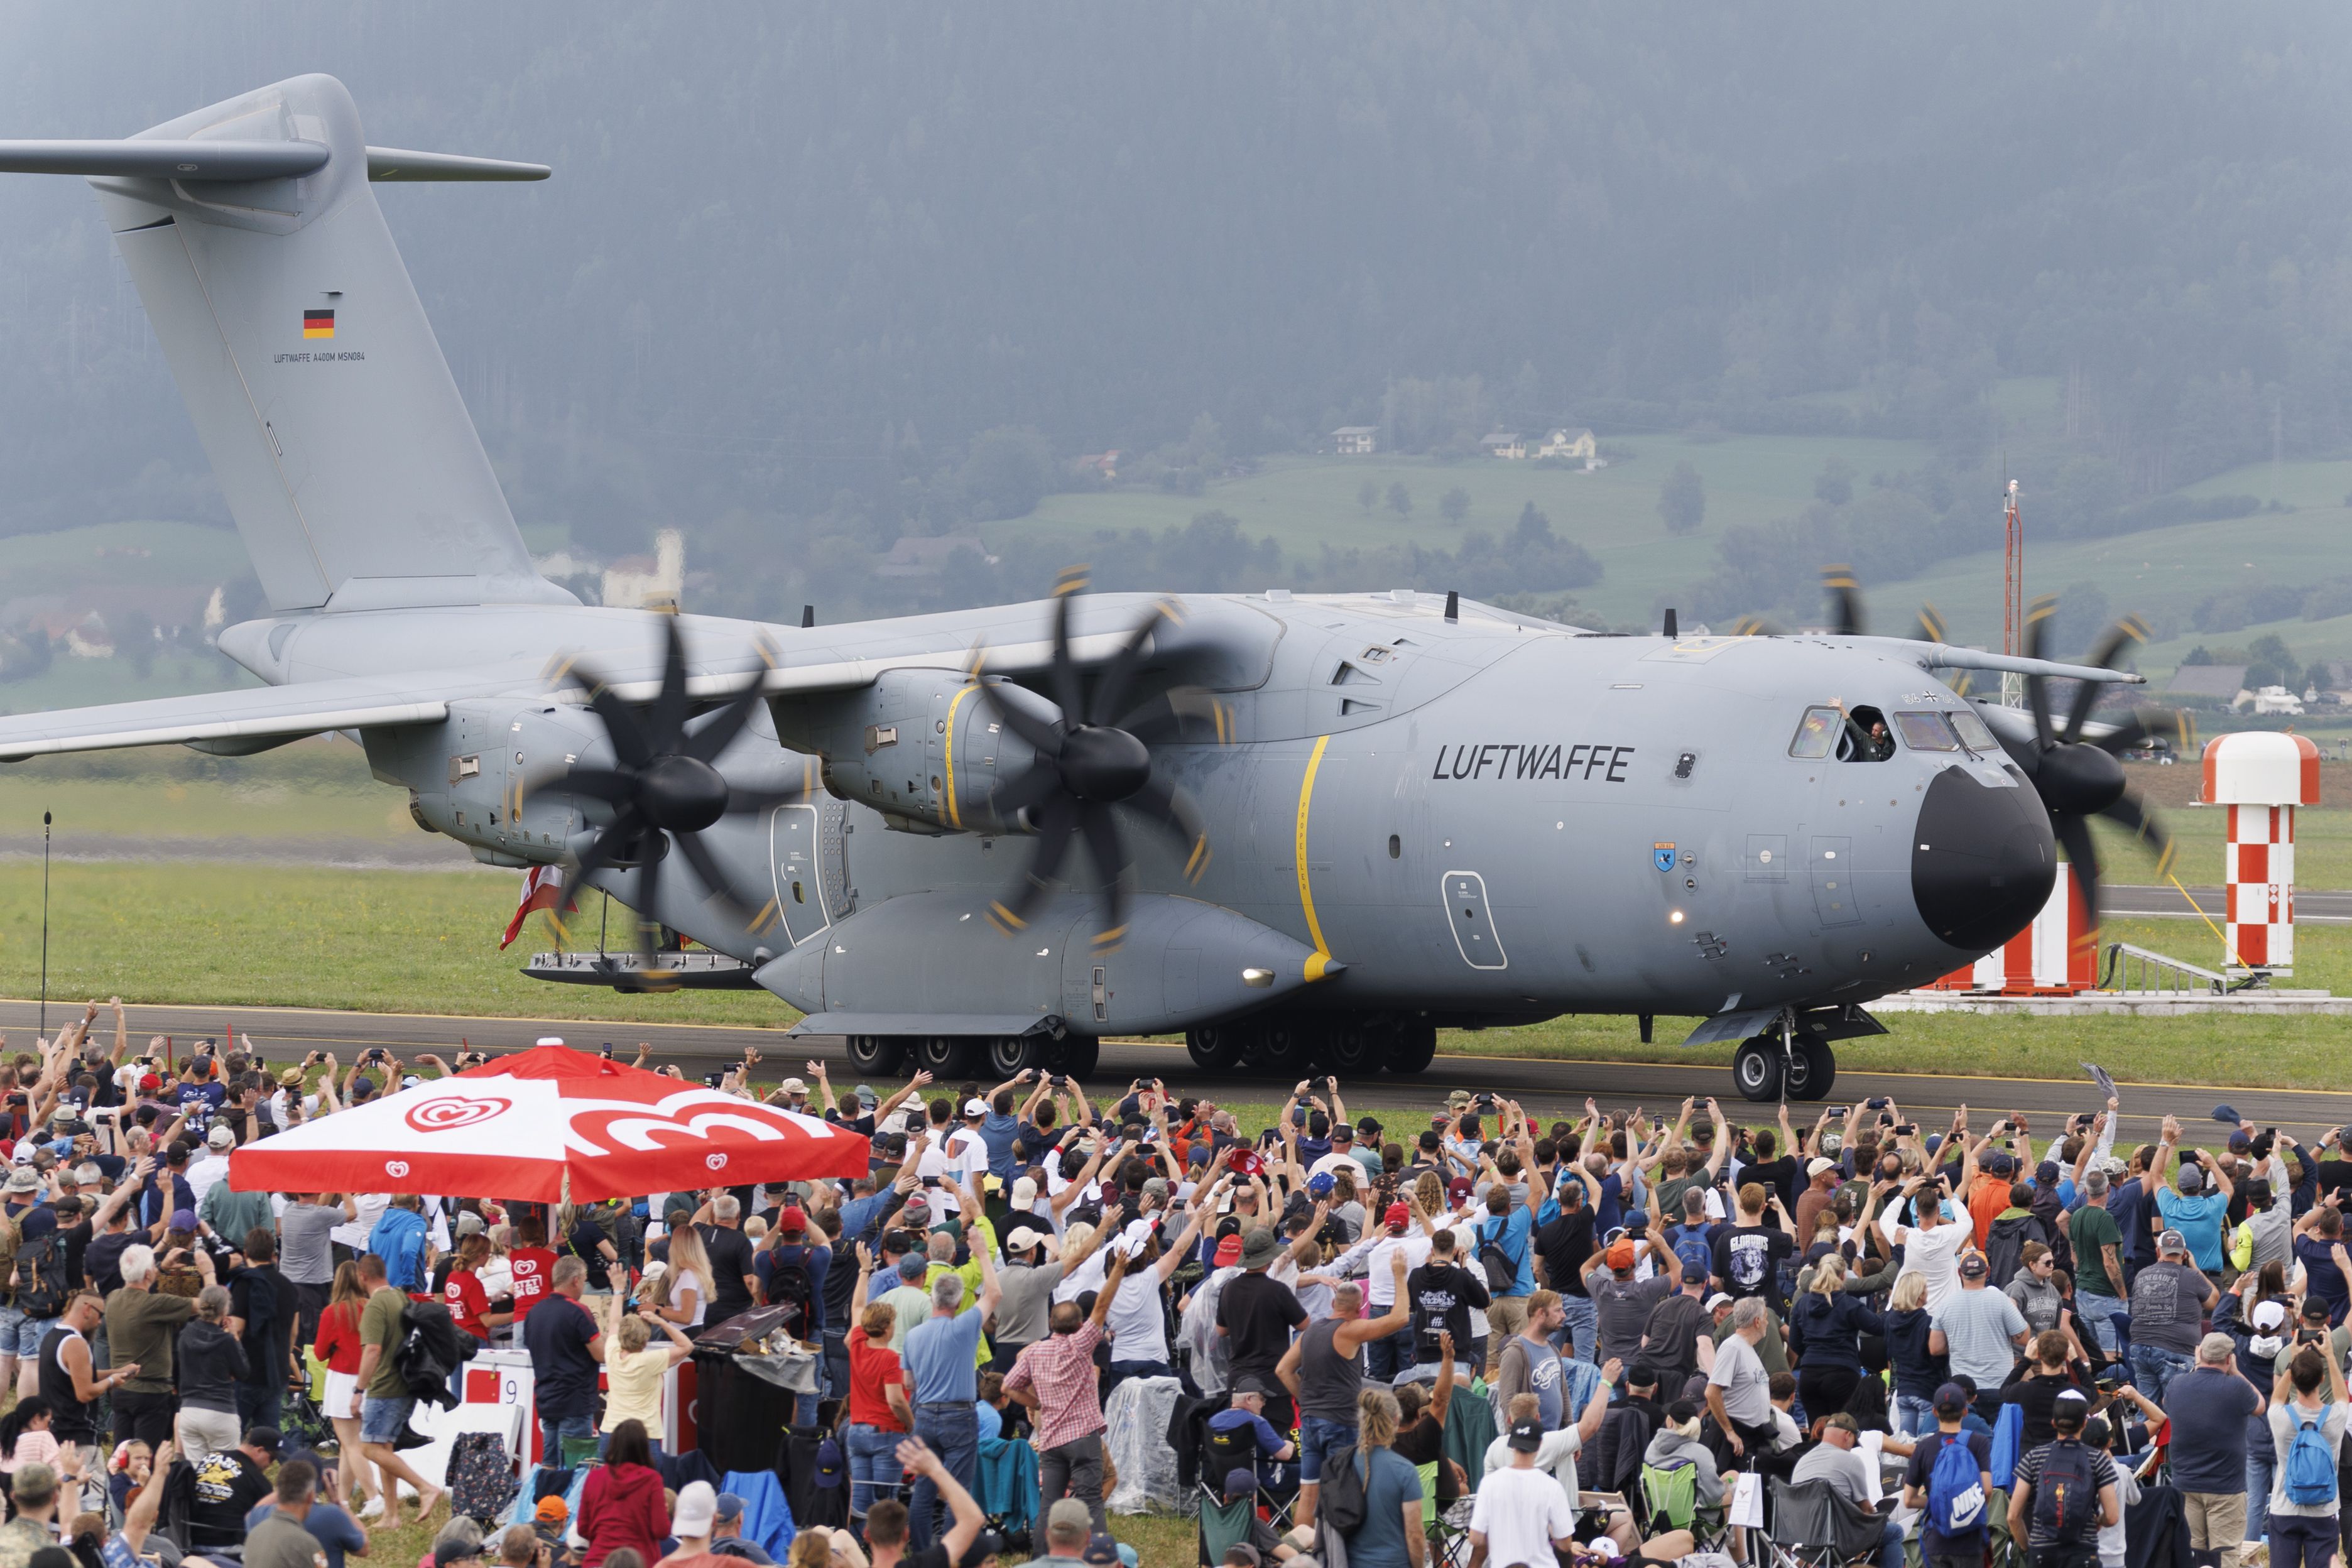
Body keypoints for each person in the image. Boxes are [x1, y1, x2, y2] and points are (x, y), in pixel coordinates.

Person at [1277, 1253, 1409, 1533]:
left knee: (1309, 1493)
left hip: (1311, 1421)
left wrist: (1306, 1400)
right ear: (1360, 1306)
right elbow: (1399, 1319)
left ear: (1334, 1303)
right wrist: (1399, 1274)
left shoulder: (1311, 1332)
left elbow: (1283, 1370)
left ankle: (1305, 1554)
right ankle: (1341, 1554)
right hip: (1340, 1422)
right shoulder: (1351, 1329)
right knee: (1344, 1493)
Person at [1004, 1252, 1128, 1540]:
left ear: (1051, 1322)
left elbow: (1008, 1387)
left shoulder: (1035, 1351)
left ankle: (1042, 1558)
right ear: (1079, 1325)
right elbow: (1102, 1305)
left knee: (1049, 1504)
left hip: (1050, 1438)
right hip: (1083, 1437)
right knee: (1091, 1502)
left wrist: (1036, 1404)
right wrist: (1118, 1269)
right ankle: (1097, 1560)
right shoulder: (1081, 1345)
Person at [901, 1233, 1000, 1550]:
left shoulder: (914, 1336)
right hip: (959, 1414)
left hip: (926, 1414)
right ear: (958, 1302)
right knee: (956, 1490)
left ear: (933, 1299)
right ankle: (949, 1553)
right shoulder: (965, 1325)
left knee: (925, 1490)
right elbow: (995, 1293)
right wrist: (982, 1253)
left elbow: (908, 1383)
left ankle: (920, 1553)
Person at [355, 1250, 444, 1521]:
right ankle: (391, 1516)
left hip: (385, 1386)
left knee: (368, 1448)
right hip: (406, 1383)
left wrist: (358, 1390)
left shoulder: (375, 1305)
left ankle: (424, 1487)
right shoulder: (398, 1296)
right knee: (384, 1447)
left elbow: (372, 1350)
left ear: (362, 1276)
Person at [2167, 1333, 2265, 1568]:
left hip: (2186, 1485)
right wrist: (2237, 1372)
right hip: (2226, 1489)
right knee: (2226, 1555)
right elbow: (2260, 1406)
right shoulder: (2236, 1387)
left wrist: (2195, 1367)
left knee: (2191, 1555)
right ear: (2229, 1359)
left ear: (2200, 1354)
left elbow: (2166, 1404)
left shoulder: (2177, 1384)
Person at [102, 1240, 206, 1451]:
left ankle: (119, 1484)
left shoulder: (113, 1298)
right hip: (152, 1392)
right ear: (148, 1274)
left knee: (122, 1456)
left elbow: (139, 1281)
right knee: (146, 1459)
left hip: (121, 1390)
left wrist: (160, 1267)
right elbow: (208, 1304)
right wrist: (209, 1272)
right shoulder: (155, 1304)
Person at [2006, 1389, 2120, 1568]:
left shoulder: (2034, 1457)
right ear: (2084, 1423)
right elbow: (2113, 1516)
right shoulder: (2098, 1459)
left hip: (2042, 1554)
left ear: (2054, 1423)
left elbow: (2013, 1516)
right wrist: (2098, 1521)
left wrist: (2029, 1548)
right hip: (2082, 1553)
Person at [2265, 1345, 2349, 1568]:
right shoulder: (2335, 1418)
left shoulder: (2279, 1417)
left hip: (2285, 1506)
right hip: (2324, 1508)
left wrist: (2292, 1361)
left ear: (2292, 1378)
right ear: (2322, 1379)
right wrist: (2331, 1356)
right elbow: (2342, 1396)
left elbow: (2276, 1398)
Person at [523, 1256, 608, 1462]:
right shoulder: (578, 1311)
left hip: (547, 1398)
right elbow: (602, 1354)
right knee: (575, 1469)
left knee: (550, 1465)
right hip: (575, 1401)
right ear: (576, 1280)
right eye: (585, 1279)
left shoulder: (534, 1312)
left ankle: (547, 1494)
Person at [1792, 1413, 1903, 1568]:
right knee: (1894, 1532)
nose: (1852, 1447)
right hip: (1839, 1541)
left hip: (1805, 1541)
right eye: (1853, 1443)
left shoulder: (1802, 1462)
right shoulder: (1850, 1460)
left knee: (1828, 1533)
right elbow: (1866, 1511)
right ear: (1847, 1435)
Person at [1903, 1382, 1996, 1568]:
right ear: (1965, 1411)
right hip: (1971, 1541)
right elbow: (1986, 1490)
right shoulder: (1979, 1442)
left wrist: (1941, 1503)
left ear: (1935, 1412)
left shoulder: (1924, 1447)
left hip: (1937, 1540)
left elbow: (1909, 1500)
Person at [314, 1261, 380, 1518]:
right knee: (347, 1445)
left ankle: (373, 1496)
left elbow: (319, 1353)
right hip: (369, 1379)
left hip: (342, 1381)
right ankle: (342, 1500)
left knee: (351, 1444)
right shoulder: (372, 1307)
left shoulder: (333, 1312)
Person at [1929, 1254, 2027, 1425]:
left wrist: (1957, 1341)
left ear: (1960, 1273)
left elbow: (1935, 1348)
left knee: (1968, 1440)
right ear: (1988, 1272)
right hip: (2000, 1384)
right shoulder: (2001, 1300)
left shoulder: (1946, 1304)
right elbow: (2024, 1338)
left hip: (1963, 1389)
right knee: (1999, 1442)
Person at [1468, 1414, 1576, 1568]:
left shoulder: (1489, 1483)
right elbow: (1565, 1545)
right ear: (1540, 1445)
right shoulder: (1552, 1487)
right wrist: (1550, 1529)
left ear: (1512, 1445)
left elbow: (1475, 1538)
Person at [864, 1437, 987, 1568]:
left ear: (867, 1535)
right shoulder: (926, 1564)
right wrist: (935, 1469)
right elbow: (973, 1519)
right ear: (906, 1534)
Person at [1337, 1387, 1424, 1568]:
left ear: (1361, 1421)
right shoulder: (1405, 1471)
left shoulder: (1341, 1464)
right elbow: (1415, 1535)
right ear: (1396, 1420)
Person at [847, 1297, 915, 1527]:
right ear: (887, 1328)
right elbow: (895, 1401)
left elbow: (857, 1307)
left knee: (859, 1500)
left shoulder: (857, 1346)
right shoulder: (889, 1358)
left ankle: (856, 1550)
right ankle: (886, 1548)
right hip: (886, 1432)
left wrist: (864, 1270)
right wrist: (911, 1424)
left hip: (857, 1430)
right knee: (886, 1502)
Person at [600, 1292, 693, 1456]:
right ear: (645, 1341)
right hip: (646, 1433)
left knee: (610, 1481)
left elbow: (613, 1322)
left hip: (611, 1430)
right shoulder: (650, 1361)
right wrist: (660, 1321)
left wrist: (618, 1290)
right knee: (649, 1481)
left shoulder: (612, 1352)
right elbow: (687, 1346)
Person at [2132, 1229, 2219, 1401]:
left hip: (2140, 1348)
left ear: (2158, 1252)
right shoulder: (2192, 1276)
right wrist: (2195, 1267)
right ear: (2184, 1254)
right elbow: (2214, 1301)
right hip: (2176, 1350)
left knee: (2148, 1410)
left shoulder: (2141, 1275)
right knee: (2177, 1409)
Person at [246, 1454, 370, 1568]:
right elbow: (363, 1549)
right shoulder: (331, 1517)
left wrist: (285, 1489)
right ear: (311, 1495)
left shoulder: (258, 1520)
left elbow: (251, 1514)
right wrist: (340, 1504)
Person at [174, 1283, 250, 1462]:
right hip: (220, 1410)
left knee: (197, 1472)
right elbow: (243, 1371)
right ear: (225, 1309)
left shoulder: (185, 1334)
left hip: (189, 1410)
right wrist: (236, 1338)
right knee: (224, 1473)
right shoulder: (226, 1340)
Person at [579, 1420, 670, 1568]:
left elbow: (583, 1528)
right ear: (643, 1447)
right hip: (640, 1562)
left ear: (613, 1445)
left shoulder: (594, 1477)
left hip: (597, 1561)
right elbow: (661, 1530)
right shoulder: (651, 1480)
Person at [186, 1425, 281, 1553]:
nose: (271, 1465)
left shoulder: (210, 1457)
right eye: (272, 1458)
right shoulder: (259, 1481)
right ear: (259, 1451)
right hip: (229, 1546)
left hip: (190, 1542)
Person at [1706, 1297, 1776, 1462]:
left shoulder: (1747, 1348)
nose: (1767, 1323)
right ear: (1757, 1322)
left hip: (1754, 1434)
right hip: (1737, 1437)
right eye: (1766, 1318)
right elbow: (1711, 1392)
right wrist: (1730, 1432)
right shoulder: (1732, 1347)